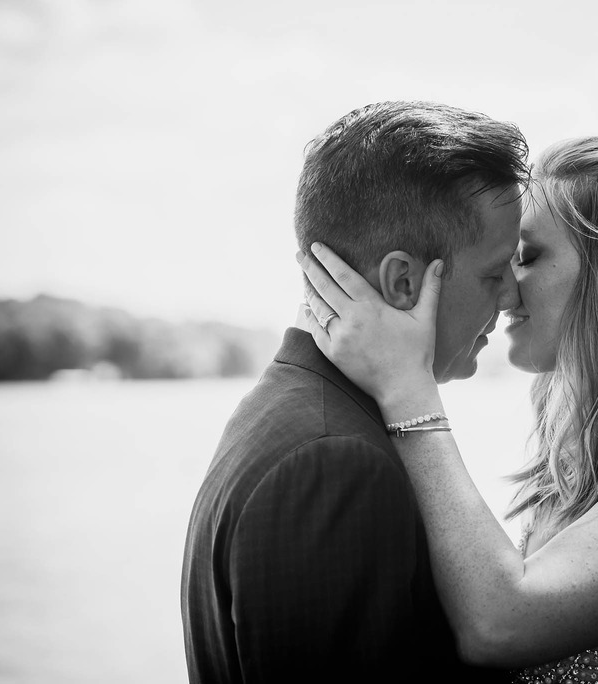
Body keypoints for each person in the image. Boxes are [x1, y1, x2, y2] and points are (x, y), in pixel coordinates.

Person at [298, 136, 598, 683]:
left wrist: (406, 390)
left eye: (526, 257)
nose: (505, 290)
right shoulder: (585, 453)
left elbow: (499, 625)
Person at [180, 101, 529, 682]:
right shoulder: (333, 462)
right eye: (495, 274)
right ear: (402, 282)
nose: (512, 298)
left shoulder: (287, 411)